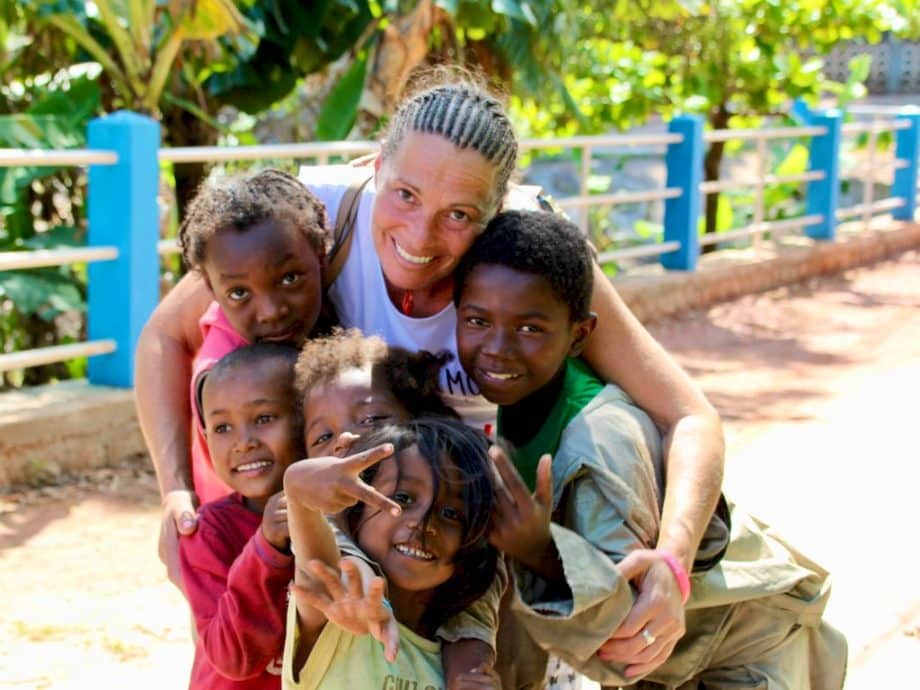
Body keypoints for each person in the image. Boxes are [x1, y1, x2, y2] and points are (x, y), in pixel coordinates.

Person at [136, 69, 724, 669]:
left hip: (467, 531)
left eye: (460, 214)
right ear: (376, 163)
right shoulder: (316, 216)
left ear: (499, 206)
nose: (420, 235)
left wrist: (673, 563)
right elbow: (164, 333)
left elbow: (688, 415)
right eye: (406, 195)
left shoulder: (530, 249)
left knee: (611, 426)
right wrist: (175, 492)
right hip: (336, 516)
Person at [452, 209, 847, 690]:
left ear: (579, 335)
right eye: (477, 321)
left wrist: (540, 552)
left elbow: (630, 633)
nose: (498, 347)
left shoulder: (601, 443)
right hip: (674, 662)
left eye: (530, 329)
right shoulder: (510, 396)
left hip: (744, 652)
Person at [293, 330, 503, 685]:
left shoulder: (461, 576)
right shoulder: (332, 593)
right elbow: (327, 555)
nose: (350, 441)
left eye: (373, 420)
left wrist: (470, 669)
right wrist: (298, 485)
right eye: (323, 437)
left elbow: (482, 584)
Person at [178, 168, 330, 513]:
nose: (271, 311)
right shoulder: (223, 377)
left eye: (289, 278)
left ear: (322, 255)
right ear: (212, 291)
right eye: (239, 293)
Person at [177, 343, 301, 690]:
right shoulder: (208, 534)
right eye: (222, 428)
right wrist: (267, 550)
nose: (243, 442)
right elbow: (234, 658)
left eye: (263, 419)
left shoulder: (346, 518)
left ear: (309, 419)